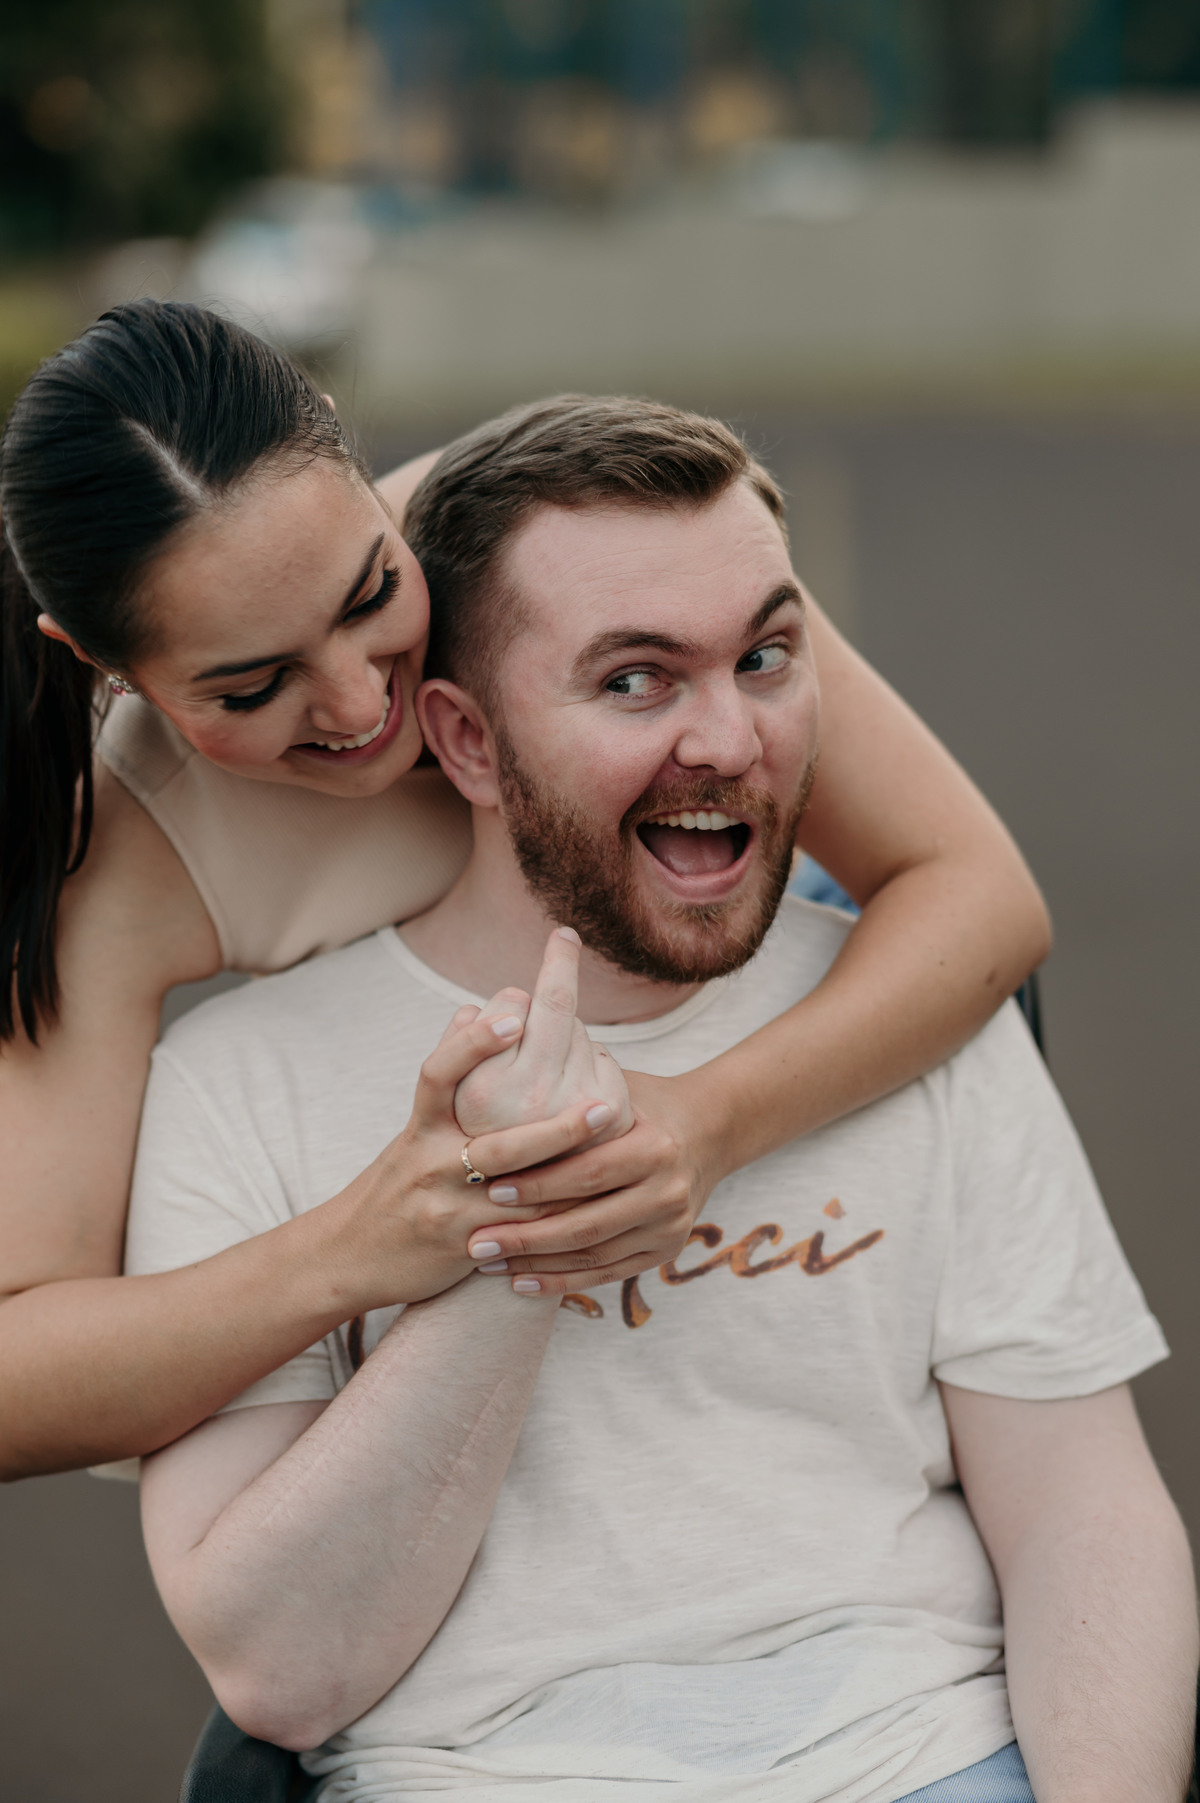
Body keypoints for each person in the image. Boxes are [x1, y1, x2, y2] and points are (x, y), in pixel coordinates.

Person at [129, 397, 1195, 1803]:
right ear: (468, 740)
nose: (731, 739)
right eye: (637, 680)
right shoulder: (236, 1085)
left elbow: (1086, 1517)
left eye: (765, 657)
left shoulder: (919, 1015)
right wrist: (519, 1220)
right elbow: (282, 1672)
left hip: (929, 1755)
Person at [0, 303, 1051, 1483]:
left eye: (368, 596)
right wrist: (357, 1247)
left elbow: (980, 899)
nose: (360, 705)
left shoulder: (527, 531)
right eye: (252, 687)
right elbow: (17, 1372)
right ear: (100, 661)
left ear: (341, 448)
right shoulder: (122, 862)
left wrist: (705, 1122)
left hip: (814, 1012)